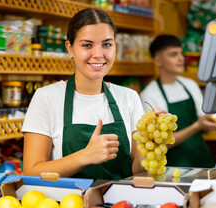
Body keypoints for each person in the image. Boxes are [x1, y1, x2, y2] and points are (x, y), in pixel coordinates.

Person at [22, 8, 152, 180]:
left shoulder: (129, 98)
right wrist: (85, 156)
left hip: (119, 205)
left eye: (106, 44)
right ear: (70, 48)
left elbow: (138, 171)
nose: (98, 55)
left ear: (115, 47)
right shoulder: (47, 97)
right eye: (87, 45)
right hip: (67, 204)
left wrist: (150, 147)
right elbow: (31, 171)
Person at [140, 34, 216, 168]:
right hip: (174, 167)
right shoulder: (149, 95)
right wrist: (197, 126)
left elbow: (204, 127)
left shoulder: (190, 85)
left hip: (202, 159)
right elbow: (161, 143)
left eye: (181, 53)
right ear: (158, 60)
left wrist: (214, 120)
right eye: (173, 54)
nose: (181, 59)